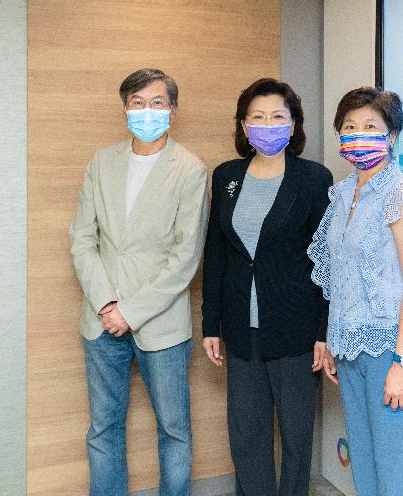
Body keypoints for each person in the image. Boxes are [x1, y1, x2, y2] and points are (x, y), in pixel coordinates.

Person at [69, 68, 208, 496]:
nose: (147, 111)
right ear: (125, 108)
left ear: (172, 110)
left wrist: (130, 311)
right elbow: (82, 239)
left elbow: (185, 257)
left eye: (157, 103)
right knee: (103, 429)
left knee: (174, 430)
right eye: (137, 103)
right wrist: (106, 304)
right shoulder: (101, 162)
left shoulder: (190, 169)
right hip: (101, 320)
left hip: (161, 324)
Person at [308, 87, 403, 496]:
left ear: (392, 135)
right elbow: (340, 275)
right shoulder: (342, 193)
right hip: (351, 349)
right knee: (364, 473)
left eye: (371, 126)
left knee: (394, 476)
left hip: (393, 349)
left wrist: (402, 364)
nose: (358, 135)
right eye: (349, 127)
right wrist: (332, 339)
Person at [201, 78, 333, 496]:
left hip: (296, 331)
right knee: (247, 437)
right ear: (244, 126)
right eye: (257, 117)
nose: (267, 124)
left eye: (278, 116)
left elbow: (327, 261)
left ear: (293, 125)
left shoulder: (314, 178)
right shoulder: (226, 176)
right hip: (242, 330)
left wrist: (323, 331)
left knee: (296, 438)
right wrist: (210, 324)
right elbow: (216, 252)